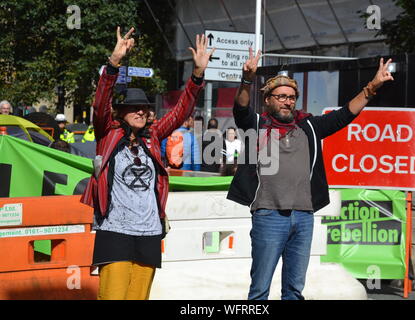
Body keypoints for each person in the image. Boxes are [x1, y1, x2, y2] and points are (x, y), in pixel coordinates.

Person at [226, 47, 394, 300]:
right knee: (259, 290)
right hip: (269, 216)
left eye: (291, 97)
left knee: (294, 290)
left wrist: (373, 86)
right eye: (280, 96)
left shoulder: (309, 126)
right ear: (268, 100)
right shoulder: (258, 125)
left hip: (304, 217)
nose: (287, 101)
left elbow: (345, 115)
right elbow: (240, 110)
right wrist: (247, 79)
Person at [80, 27, 214, 300]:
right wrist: (113, 63)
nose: (141, 110)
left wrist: (197, 76)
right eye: (134, 107)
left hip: (149, 232)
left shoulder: (153, 136)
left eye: (145, 107)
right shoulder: (108, 134)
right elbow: (100, 103)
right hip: (114, 231)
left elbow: (181, 112)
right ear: (121, 112)